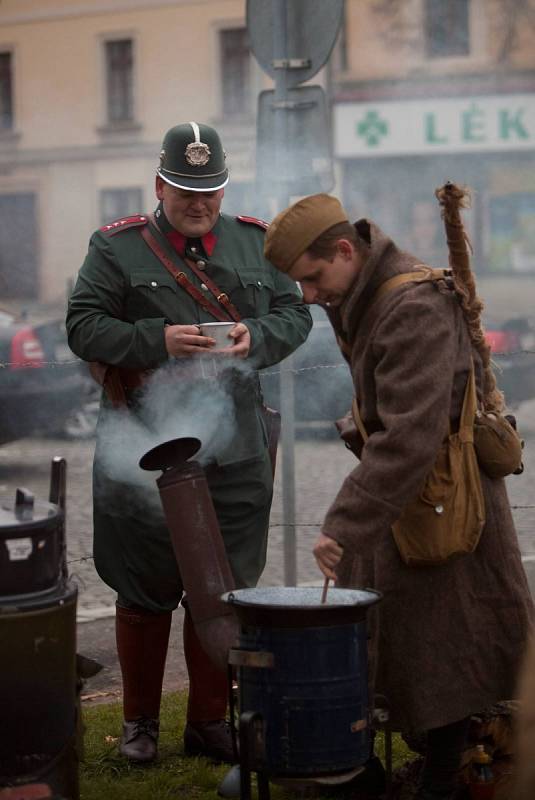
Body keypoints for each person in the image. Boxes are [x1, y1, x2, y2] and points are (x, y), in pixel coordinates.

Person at [264, 193, 533, 800]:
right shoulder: (366, 292)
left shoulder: (411, 306)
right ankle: (420, 766)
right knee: (419, 644)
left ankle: (444, 777)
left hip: (446, 507)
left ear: (343, 250)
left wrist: (343, 522)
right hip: (410, 501)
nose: (308, 295)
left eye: (312, 277)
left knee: (446, 646)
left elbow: (412, 434)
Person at [66, 122, 312, 764]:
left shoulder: (256, 243)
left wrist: (253, 338)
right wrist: (158, 340)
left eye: (209, 191)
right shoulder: (116, 248)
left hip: (235, 449)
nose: (198, 204)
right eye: (183, 192)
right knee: (143, 589)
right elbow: (83, 326)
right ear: (159, 185)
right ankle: (140, 725)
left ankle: (208, 721)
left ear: (224, 187)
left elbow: (295, 313)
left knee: (225, 588)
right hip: (142, 445)